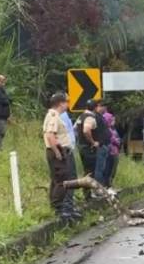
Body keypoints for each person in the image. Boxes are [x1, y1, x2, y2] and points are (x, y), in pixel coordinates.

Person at [42, 93, 78, 222]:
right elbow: (50, 135)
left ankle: (59, 207)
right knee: (61, 180)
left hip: (59, 150)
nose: (68, 105)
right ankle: (58, 207)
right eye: (66, 102)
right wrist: (57, 152)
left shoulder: (55, 115)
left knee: (58, 179)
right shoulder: (53, 116)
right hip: (57, 151)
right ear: (61, 103)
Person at [76, 99, 111, 189]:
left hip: (82, 146)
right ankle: (95, 191)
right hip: (89, 148)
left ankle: (88, 193)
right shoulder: (90, 117)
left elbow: (75, 129)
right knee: (92, 171)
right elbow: (86, 130)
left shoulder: (81, 116)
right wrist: (92, 142)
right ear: (95, 107)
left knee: (87, 171)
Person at [101, 109, 121, 189]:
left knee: (113, 169)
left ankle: (109, 184)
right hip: (110, 152)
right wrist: (117, 141)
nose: (113, 120)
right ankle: (107, 185)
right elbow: (113, 140)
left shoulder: (112, 128)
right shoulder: (106, 130)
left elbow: (117, 138)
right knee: (109, 169)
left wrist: (117, 141)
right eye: (111, 119)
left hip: (115, 151)